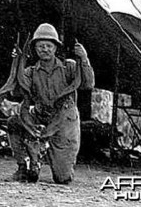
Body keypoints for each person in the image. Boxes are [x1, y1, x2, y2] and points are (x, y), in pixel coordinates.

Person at [7, 23, 95, 184]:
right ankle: (24, 166)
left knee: (63, 178)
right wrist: (16, 63)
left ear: (55, 48)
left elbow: (88, 84)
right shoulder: (31, 72)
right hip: (40, 117)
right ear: (35, 49)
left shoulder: (69, 67)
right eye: (40, 46)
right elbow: (15, 92)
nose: (45, 49)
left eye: (49, 45)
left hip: (64, 121)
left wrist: (84, 58)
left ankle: (46, 158)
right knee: (14, 123)